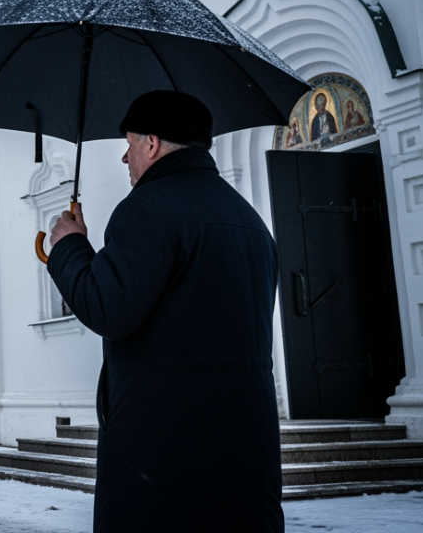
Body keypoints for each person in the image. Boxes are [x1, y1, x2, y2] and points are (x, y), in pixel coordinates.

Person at [47, 91, 283, 533]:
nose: (124, 157)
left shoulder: (147, 209)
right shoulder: (247, 218)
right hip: (244, 445)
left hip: (163, 450)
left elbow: (108, 309)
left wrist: (69, 248)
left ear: (151, 144)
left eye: (130, 143)